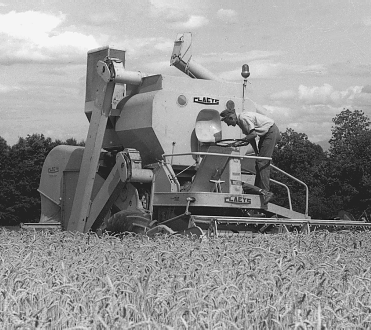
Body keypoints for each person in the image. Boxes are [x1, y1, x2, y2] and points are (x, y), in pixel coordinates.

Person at [220, 105, 281, 204]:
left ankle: (266, 192)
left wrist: (241, 141)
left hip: (271, 132)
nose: (228, 125)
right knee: (259, 162)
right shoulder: (240, 122)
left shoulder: (243, 118)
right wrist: (256, 151)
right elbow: (251, 138)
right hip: (267, 134)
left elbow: (252, 135)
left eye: (227, 122)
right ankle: (259, 190)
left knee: (262, 161)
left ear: (231, 117)